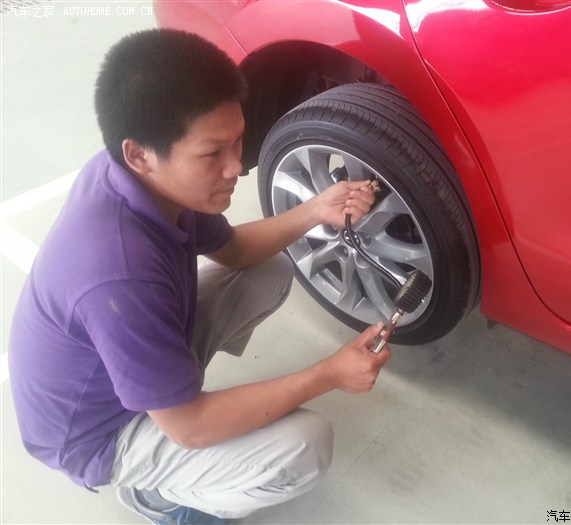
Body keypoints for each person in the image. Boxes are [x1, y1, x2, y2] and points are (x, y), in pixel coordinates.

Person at [8, 28, 391, 524]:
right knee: (306, 446)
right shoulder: (118, 274)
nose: (235, 167)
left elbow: (235, 252)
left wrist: (317, 209)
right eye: (213, 154)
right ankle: (162, 498)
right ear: (140, 154)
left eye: (237, 141)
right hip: (95, 432)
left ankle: (165, 387)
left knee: (269, 268)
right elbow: (189, 427)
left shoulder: (145, 181)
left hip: (118, 356)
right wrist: (329, 374)